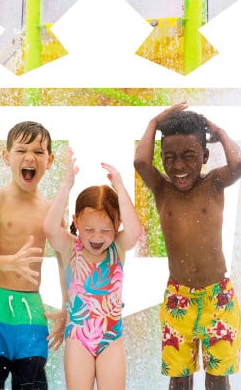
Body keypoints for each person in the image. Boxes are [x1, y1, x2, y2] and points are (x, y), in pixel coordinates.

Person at [133, 102, 241, 390]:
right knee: (179, 377)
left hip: (217, 297)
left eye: (188, 156)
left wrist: (219, 131)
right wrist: (154, 121)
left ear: (205, 155)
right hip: (178, 299)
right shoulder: (163, 189)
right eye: (169, 158)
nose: (179, 166)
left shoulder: (214, 184)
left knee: (218, 377)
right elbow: (140, 163)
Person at [0, 121, 67, 390]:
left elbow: (63, 263)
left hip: (30, 311)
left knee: (33, 384)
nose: (30, 158)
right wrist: (11, 261)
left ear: (50, 160)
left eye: (38, 152)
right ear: (6, 156)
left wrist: (66, 306)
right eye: (21, 150)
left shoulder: (51, 210)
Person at [43, 148, 144, 390]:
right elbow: (48, 228)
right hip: (78, 340)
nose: (97, 238)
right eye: (89, 230)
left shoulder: (117, 249)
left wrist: (120, 186)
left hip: (111, 339)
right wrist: (67, 185)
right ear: (76, 221)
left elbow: (135, 232)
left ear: (117, 225)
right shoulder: (70, 248)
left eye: (106, 230)